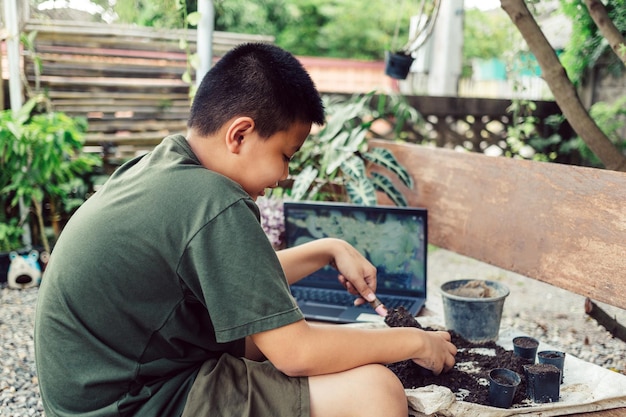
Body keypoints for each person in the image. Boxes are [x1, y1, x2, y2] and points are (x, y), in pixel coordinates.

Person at [34, 43, 456, 417]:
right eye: (286, 156)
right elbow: (297, 353)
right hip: (135, 401)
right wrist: (416, 343)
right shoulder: (214, 200)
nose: (284, 175)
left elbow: (241, 278)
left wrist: (328, 248)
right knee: (375, 392)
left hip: (97, 389)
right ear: (240, 134)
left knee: (264, 335)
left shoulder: (165, 167)